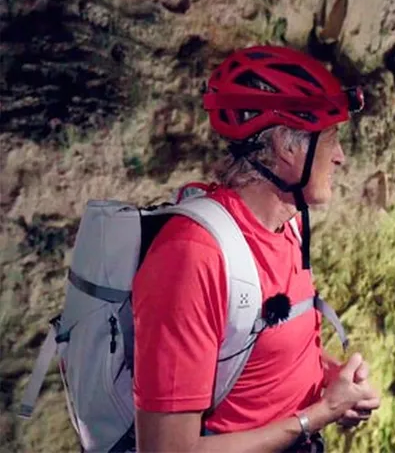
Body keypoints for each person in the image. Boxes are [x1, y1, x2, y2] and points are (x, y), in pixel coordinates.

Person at [131, 45, 380, 452]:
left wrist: (331, 379)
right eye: (332, 138)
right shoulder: (194, 256)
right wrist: (318, 415)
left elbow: (264, 355)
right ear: (286, 146)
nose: (340, 157)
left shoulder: (290, 225)